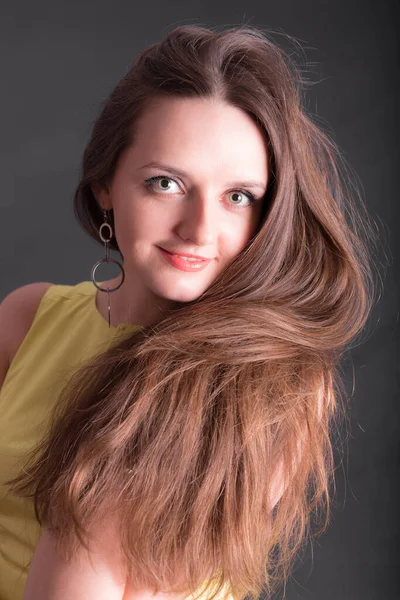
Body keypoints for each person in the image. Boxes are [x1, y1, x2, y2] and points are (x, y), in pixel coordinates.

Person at [0, 23, 377, 600]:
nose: (200, 229)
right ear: (106, 183)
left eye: (238, 196)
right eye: (167, 183)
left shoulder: (280, 384)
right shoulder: (29, 318)